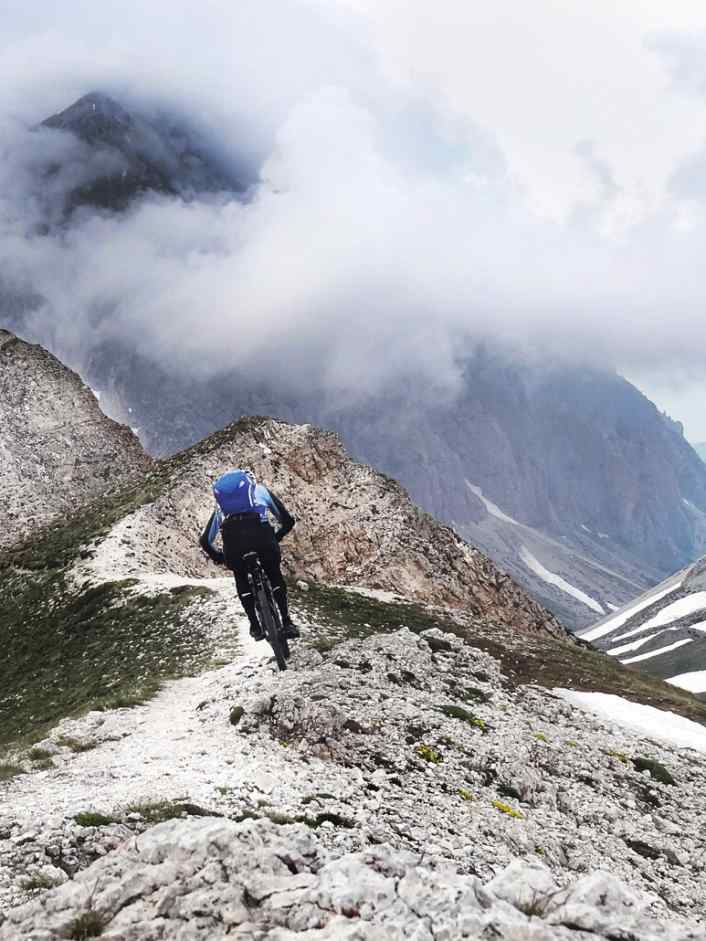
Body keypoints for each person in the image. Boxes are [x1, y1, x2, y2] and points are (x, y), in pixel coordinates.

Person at [199, 469, 300, 641]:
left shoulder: (221, 508)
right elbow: (287, 521)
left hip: (234, 548)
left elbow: (205, 541)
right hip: (263, 540)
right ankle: (287, 621)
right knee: (274, 574)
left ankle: (255, 625)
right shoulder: (260, 491)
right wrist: (277, 537)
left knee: (240, 576)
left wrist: (219, 557)